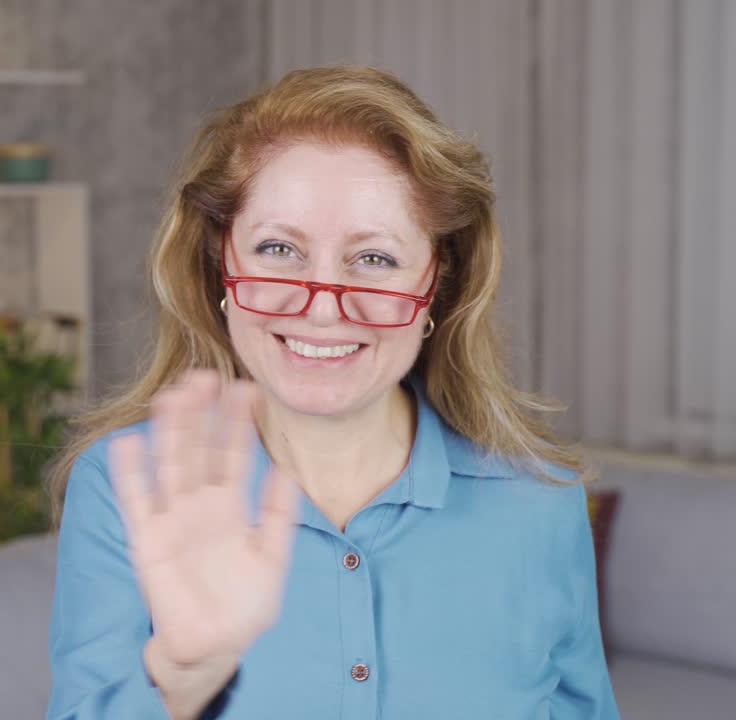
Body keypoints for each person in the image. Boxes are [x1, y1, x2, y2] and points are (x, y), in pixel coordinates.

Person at [45, 65, 620, 720]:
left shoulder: (539, 505)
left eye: (373, 259)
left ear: (435, 282)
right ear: (220, 266)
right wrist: (182, 677)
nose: (322, 310)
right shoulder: (126, 487)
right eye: (278, 248)